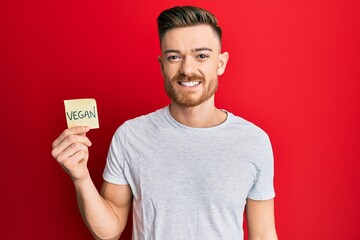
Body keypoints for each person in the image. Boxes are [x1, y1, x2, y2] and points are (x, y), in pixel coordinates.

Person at [51, 6, 277, 240]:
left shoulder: (254, 141)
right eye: (174, 57)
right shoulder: (130, 135)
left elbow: (263, 235)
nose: (187, 69)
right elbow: (108, 231)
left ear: (221, 63)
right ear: (162, 65)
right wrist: (81, 178)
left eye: (201, 55)